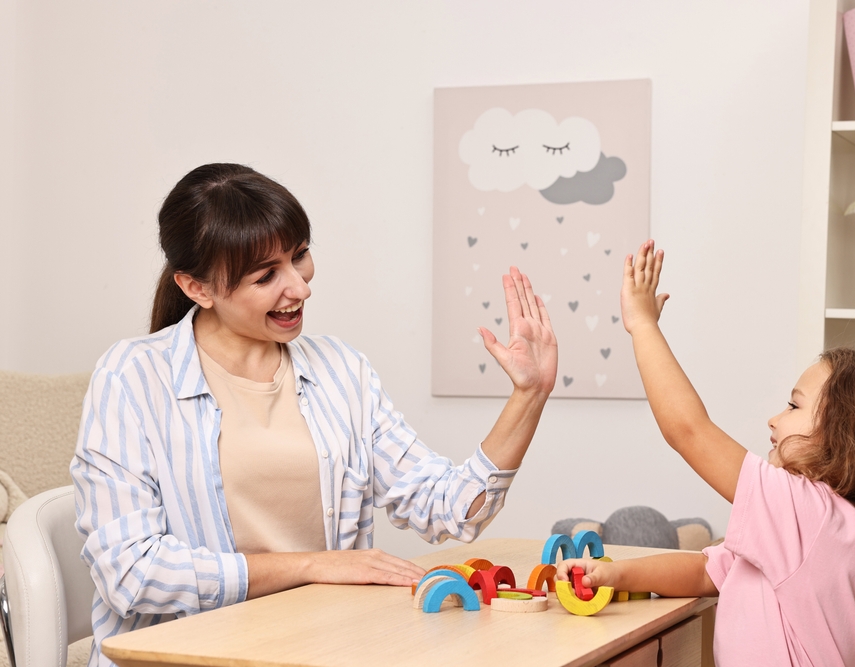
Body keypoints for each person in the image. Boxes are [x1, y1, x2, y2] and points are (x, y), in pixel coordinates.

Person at [70, 163, 558, 666]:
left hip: (316, 650)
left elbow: (449, 509)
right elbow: (131, 573)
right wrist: (314, 566)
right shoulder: (132, 378)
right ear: (198, 289)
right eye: (266, 275)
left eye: (300, 255)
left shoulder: (341, 370)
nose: (300, 288)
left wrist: (529, 395)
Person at [557, 240, 855, 666]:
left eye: (794, 406)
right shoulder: (813, 527)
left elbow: (688, 431)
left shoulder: (814, 518)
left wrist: (643, 327)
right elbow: (709, 573)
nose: (774, 419)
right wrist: (616, 573)